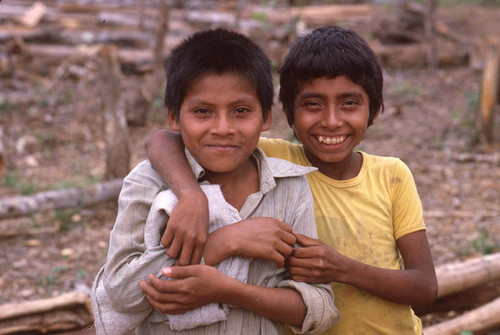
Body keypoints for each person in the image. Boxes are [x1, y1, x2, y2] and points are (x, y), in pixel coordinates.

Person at [145, 26, 438, 334]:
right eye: (313, 104)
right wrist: (191, 194)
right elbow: (163, 140)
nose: (332, 120)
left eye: (349, 103)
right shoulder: (273, 159)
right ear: (288, 113)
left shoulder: (391, 176)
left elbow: (425, 288)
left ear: (374, 110)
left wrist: (342, 269)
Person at [91, 28, 339, 335]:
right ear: (174, 118)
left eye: (240, 111)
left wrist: (230, 290)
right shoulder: (148, 182)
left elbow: (320, 308)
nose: (223, 128)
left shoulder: (289, 188)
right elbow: (123, 295)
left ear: (265, 118)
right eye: (203, 111)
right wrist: (223, 242)